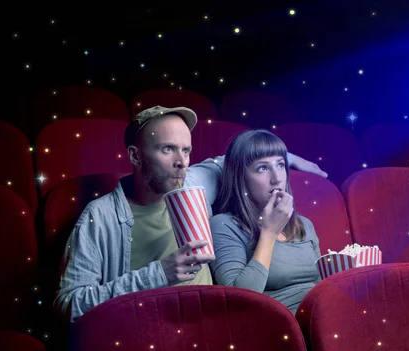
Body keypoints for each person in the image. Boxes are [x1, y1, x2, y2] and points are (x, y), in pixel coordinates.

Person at [54, 106, 327, 323]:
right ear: (135, 156)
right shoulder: (101, 216)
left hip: (213, 327)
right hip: (144, 334)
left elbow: (234, 161)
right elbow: (68, 305)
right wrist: (159, 274)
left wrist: (288, 157)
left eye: (186, 150)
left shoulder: (193, 183)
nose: (181, 161)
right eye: (167, 149)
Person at [209, 129, 322, 314]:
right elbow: (240, 300)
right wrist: (268, 234)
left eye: (280, 165)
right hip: (278, 327)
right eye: (262, 168)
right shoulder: (224, 225)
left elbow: (320, 286)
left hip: (321, 317)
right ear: (241, 177)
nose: (277, 178)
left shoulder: (305, 225)